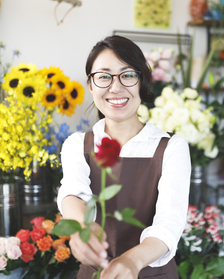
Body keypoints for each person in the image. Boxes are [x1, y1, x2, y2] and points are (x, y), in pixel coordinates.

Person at [57, 35, 191, 279]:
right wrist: (82, 228)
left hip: (154, 274)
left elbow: (170, 222)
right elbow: (72, 193)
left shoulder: (171, 147)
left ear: (142, 81)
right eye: (104, 76)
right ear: (91, 85)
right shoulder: (78, 145)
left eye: (127, 75)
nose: (115, 87)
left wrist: (131, 261)